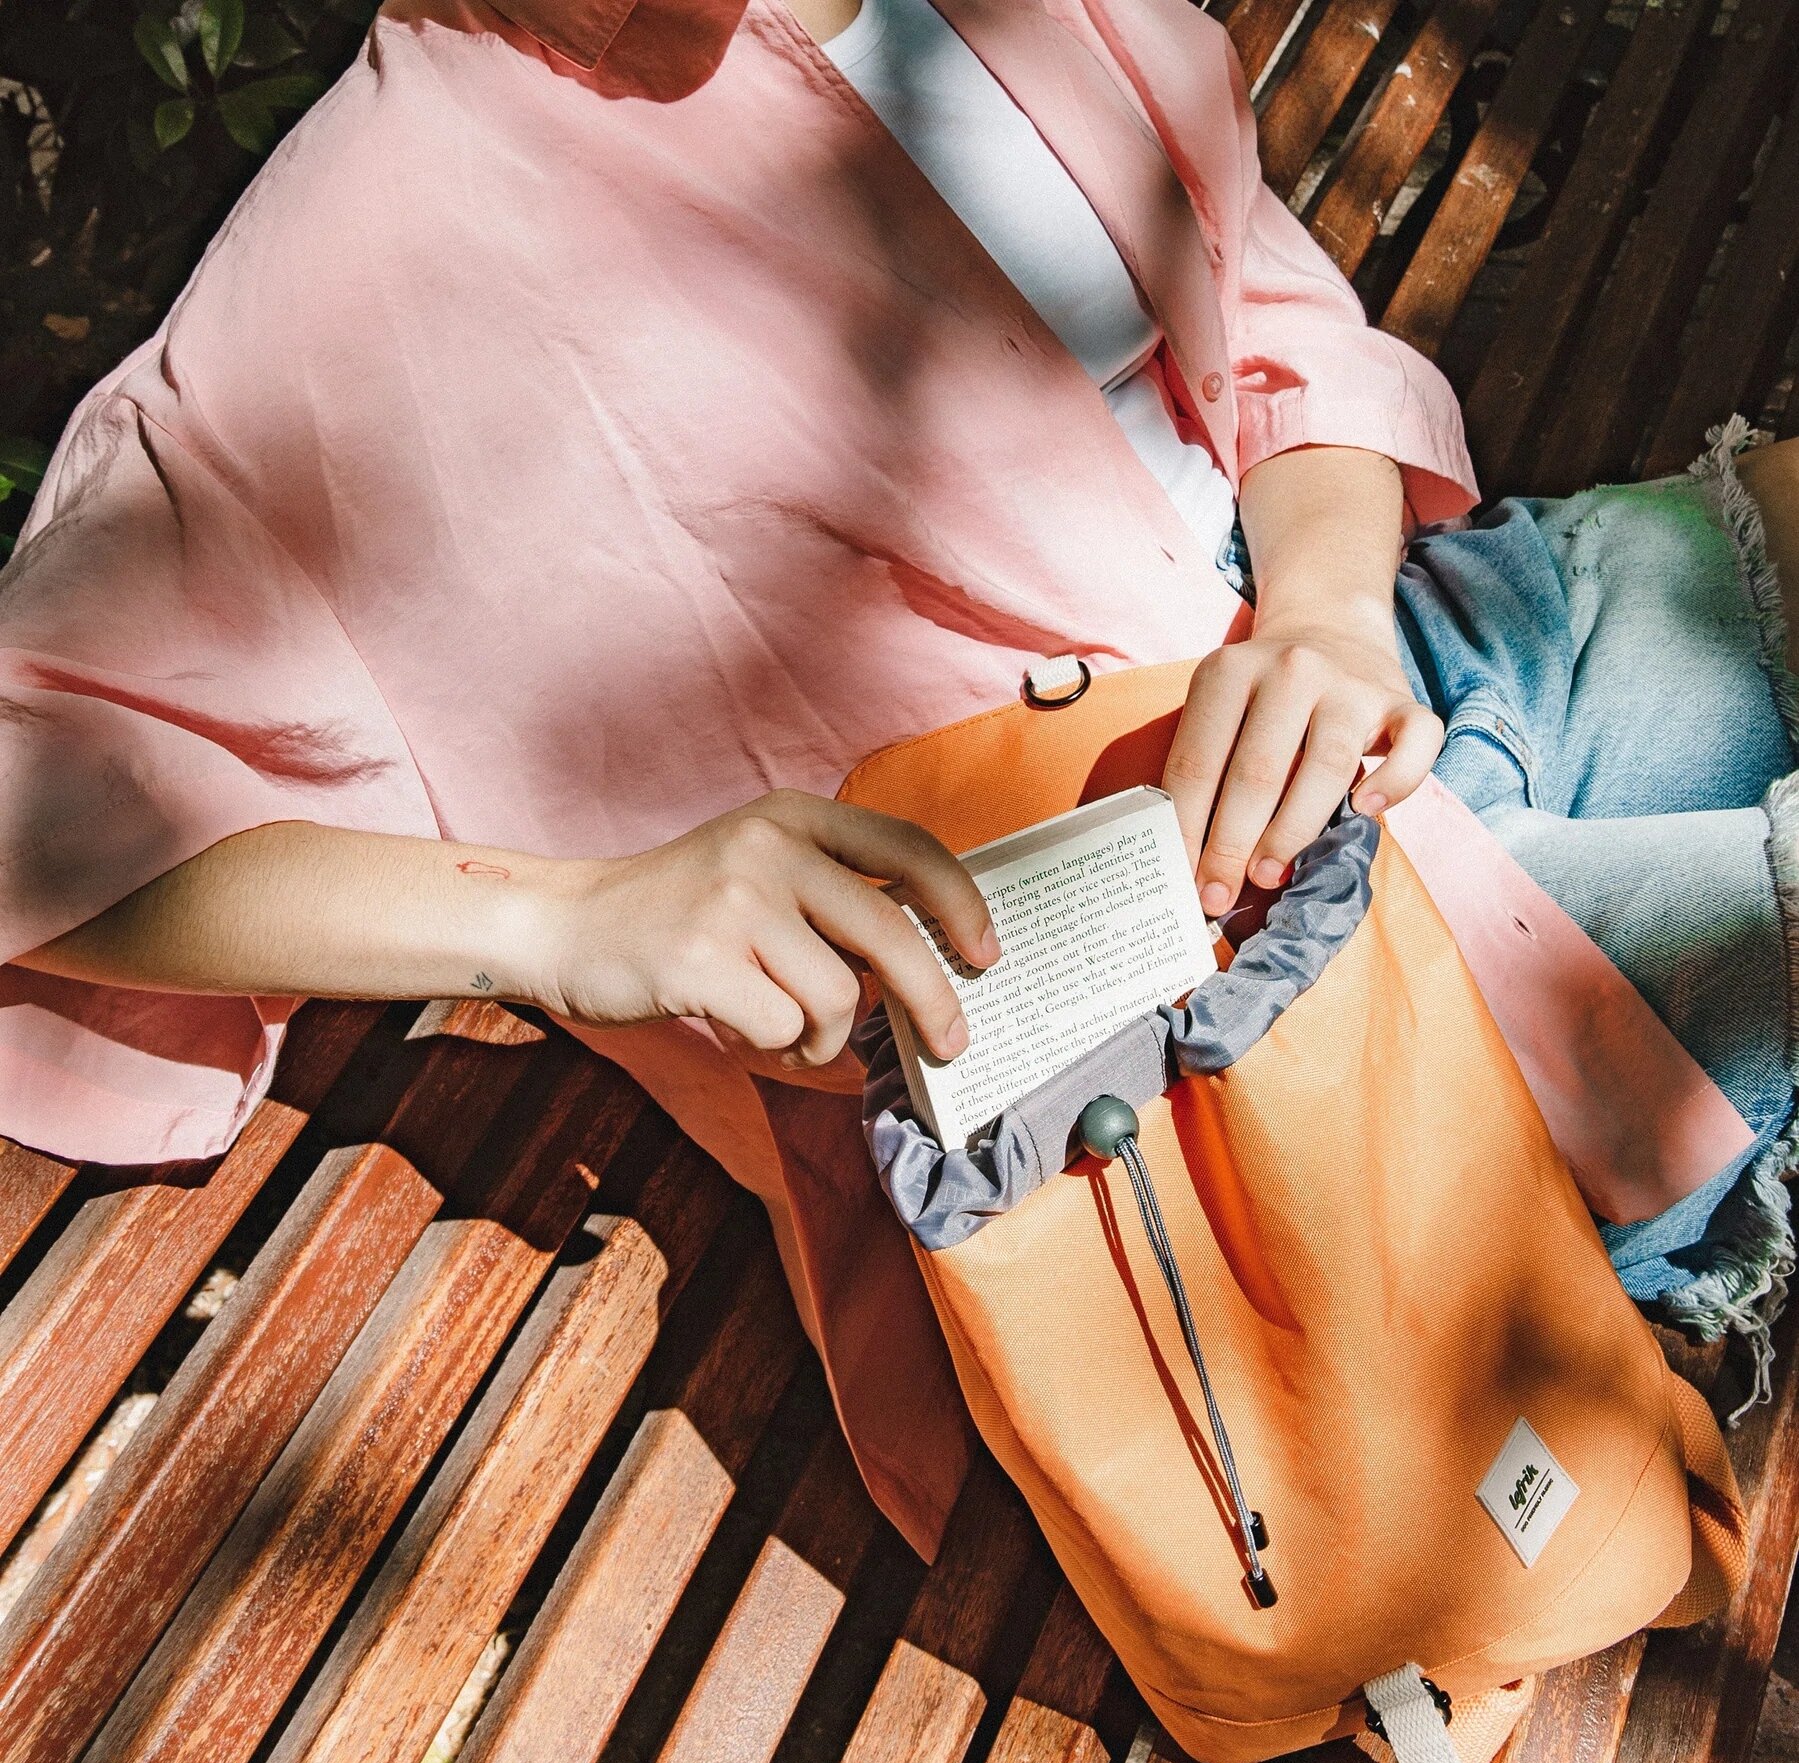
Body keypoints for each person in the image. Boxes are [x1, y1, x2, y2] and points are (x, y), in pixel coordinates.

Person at [3, 0, 1795, 1553]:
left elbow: (1260, 302)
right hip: (1235, 1041)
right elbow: (32, 791)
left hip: (1399, 671)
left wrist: (1328, 610)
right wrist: (562, 924)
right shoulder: (361, 251)